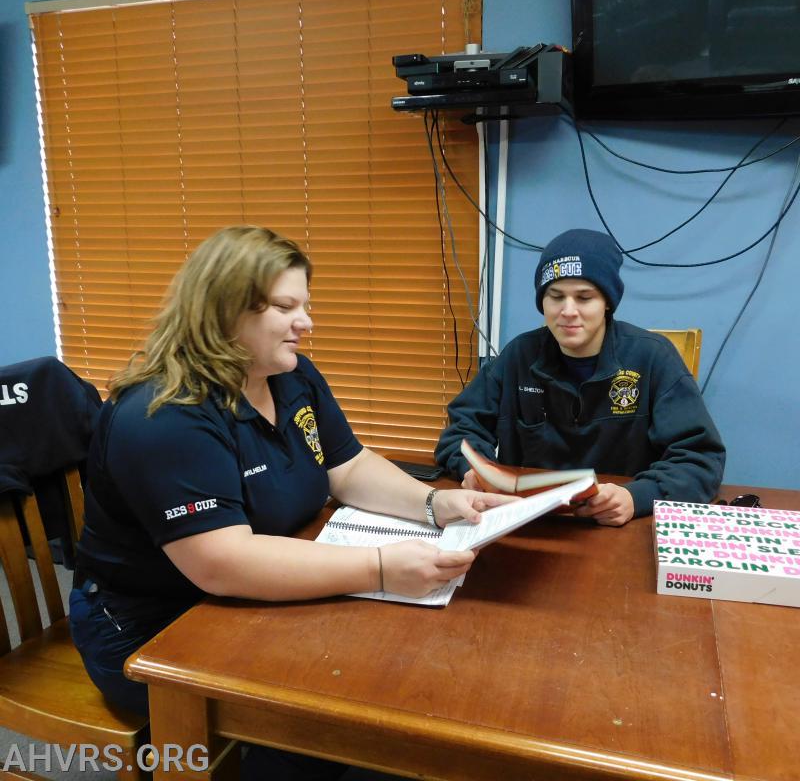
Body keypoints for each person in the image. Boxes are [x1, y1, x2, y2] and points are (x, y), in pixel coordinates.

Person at [69, 225, 513, 780]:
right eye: (286, 306)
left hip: (245, 594)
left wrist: (434, 505)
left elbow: (346, 466)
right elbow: (222, 563)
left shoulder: (288, 374)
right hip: (153, 626)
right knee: (323, 715)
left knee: (388, 675)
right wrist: (380, 568)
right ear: (224, 311)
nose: (307, 322)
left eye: (305, 304)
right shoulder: (165, 415)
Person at [435, 228, 725, 527]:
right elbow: (461, 432)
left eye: (584, 297)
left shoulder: (653, 358)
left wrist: (637, 496)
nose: (568, 311)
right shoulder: (519, 355)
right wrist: (471, 470)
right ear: (542, 302)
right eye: (556, 296)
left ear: (607, 303)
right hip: (528, 526)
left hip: (618, 526)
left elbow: (700, 459)